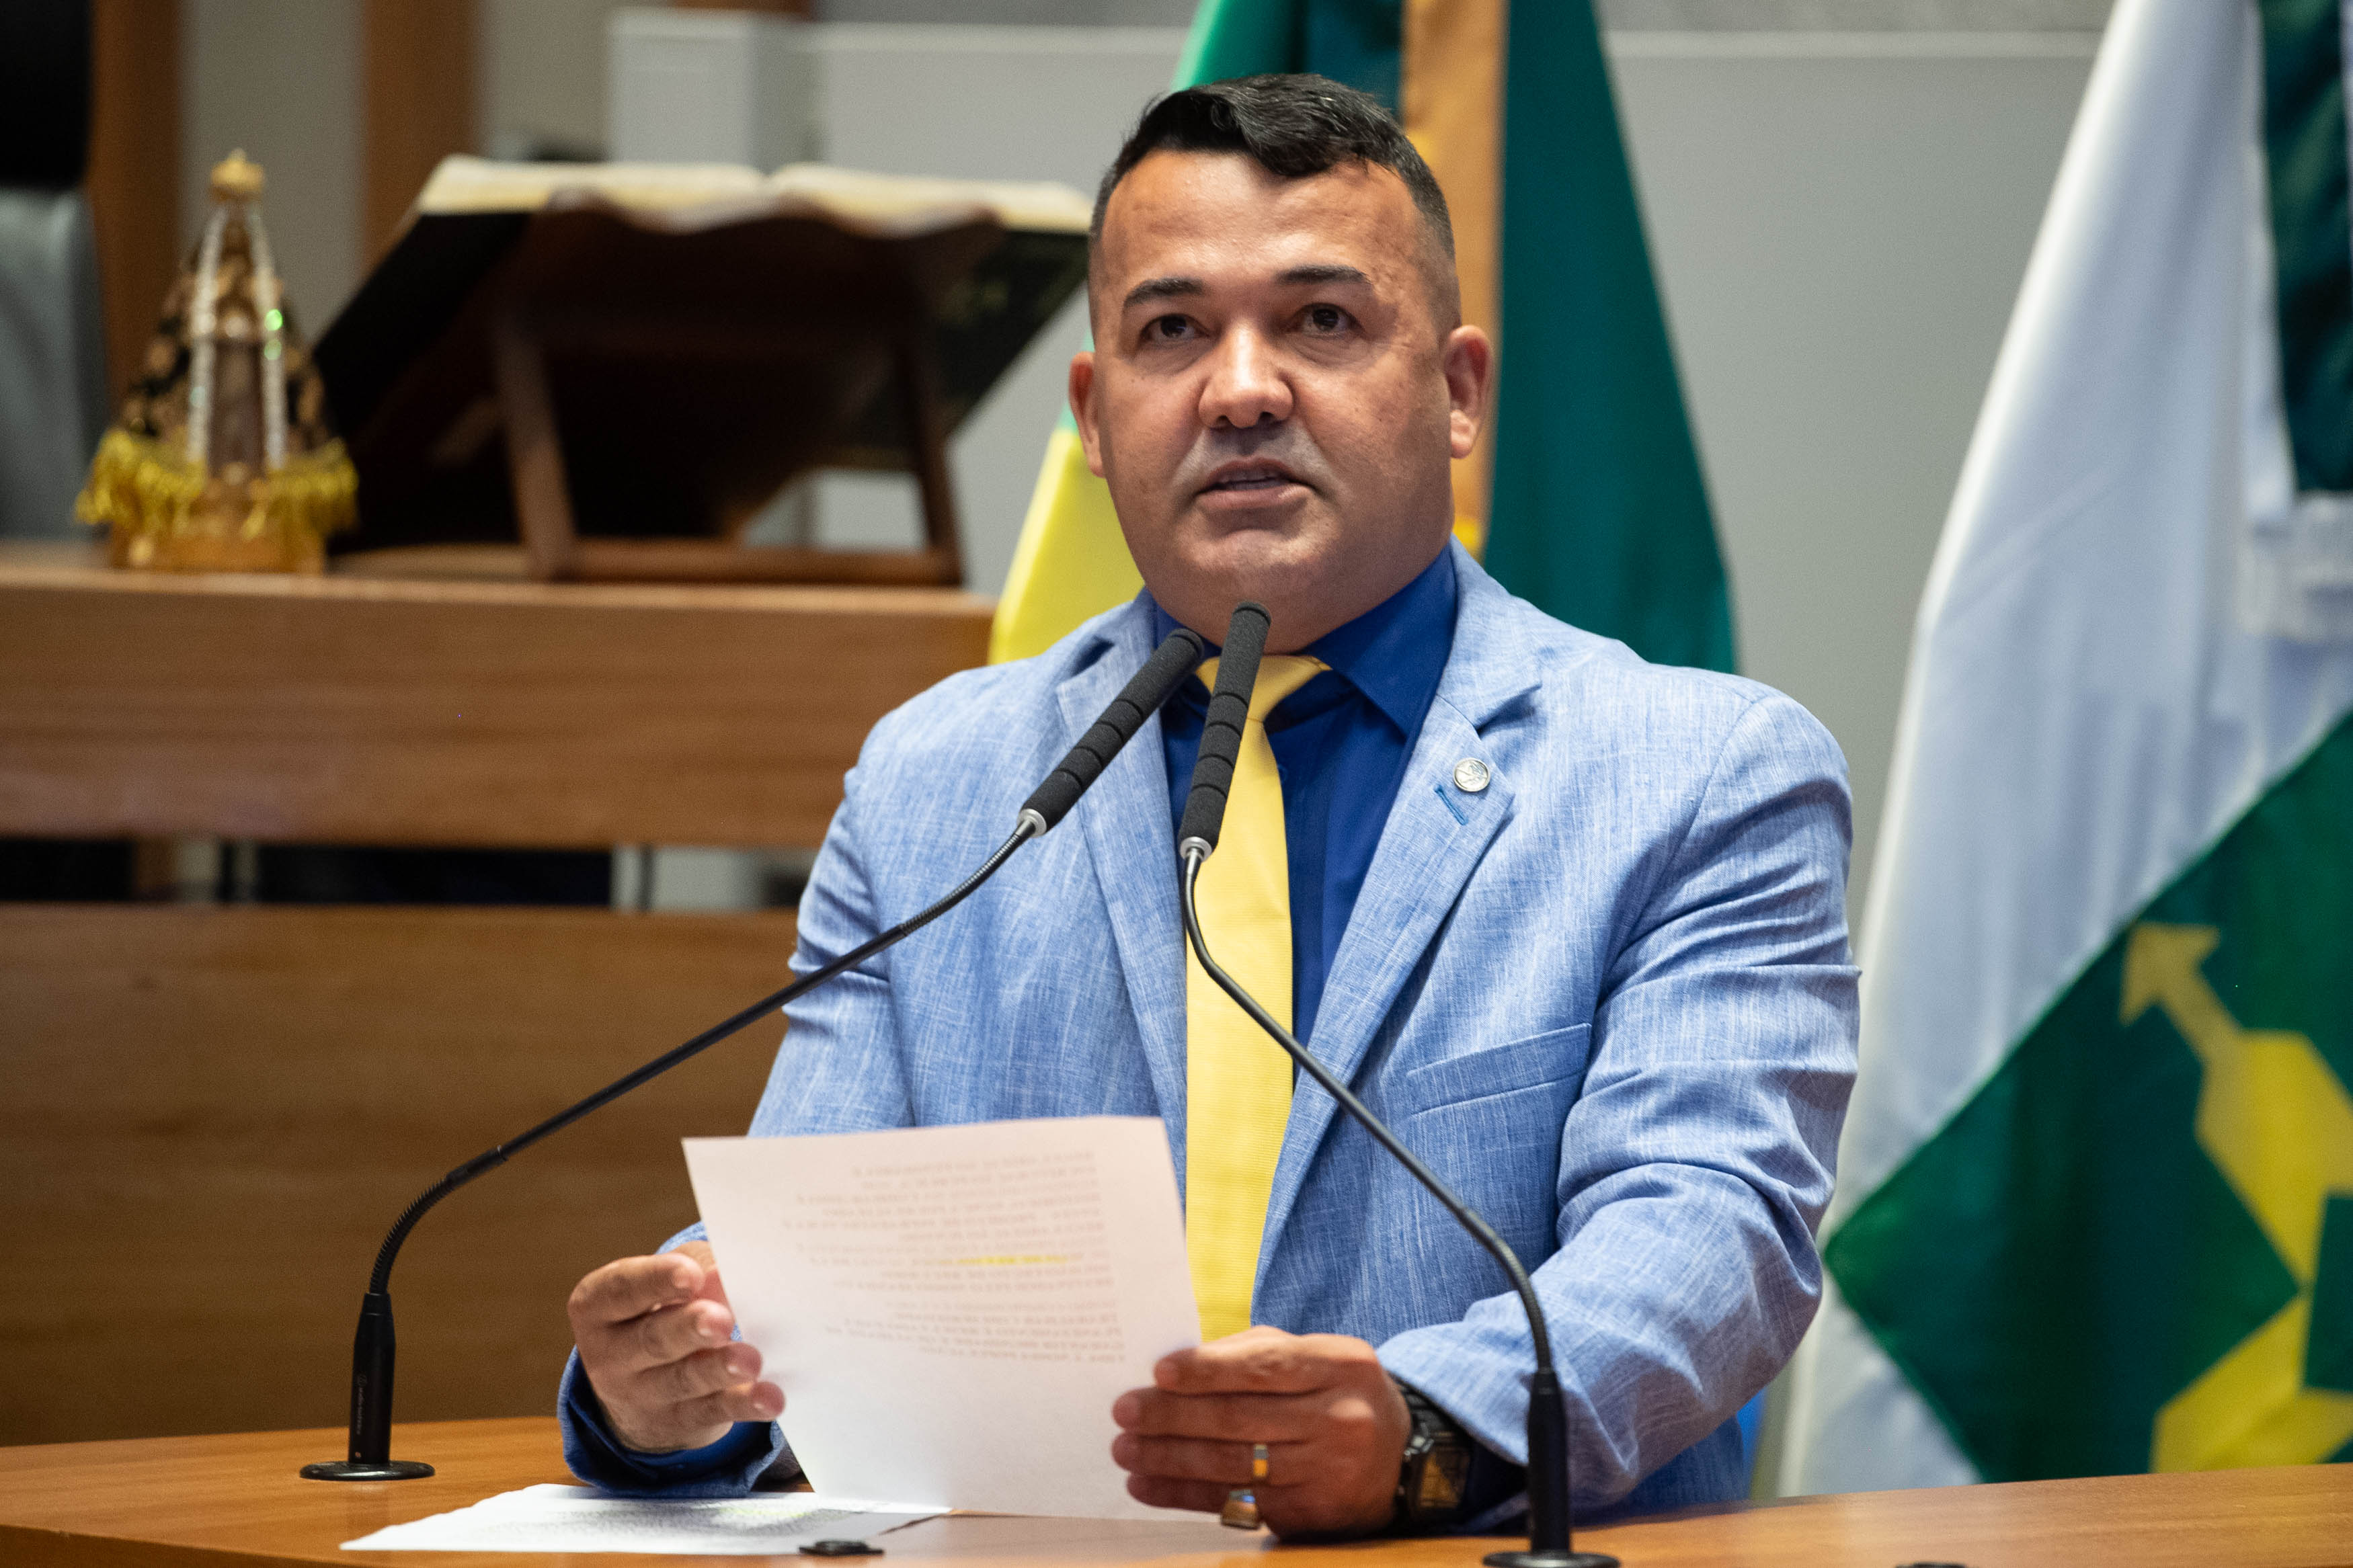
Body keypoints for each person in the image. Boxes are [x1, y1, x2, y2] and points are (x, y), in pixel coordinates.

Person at [557, 74, 1858, 1539]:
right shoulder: (939, 786)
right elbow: (809, 1245)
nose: (1242, 389)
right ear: (1094, 414)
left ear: (1457, 394)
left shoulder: (1697, 775)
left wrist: (1424, 1428)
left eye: (1322, 320)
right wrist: (672, 1380)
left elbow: (1712, 1235)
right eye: (1172, 331)